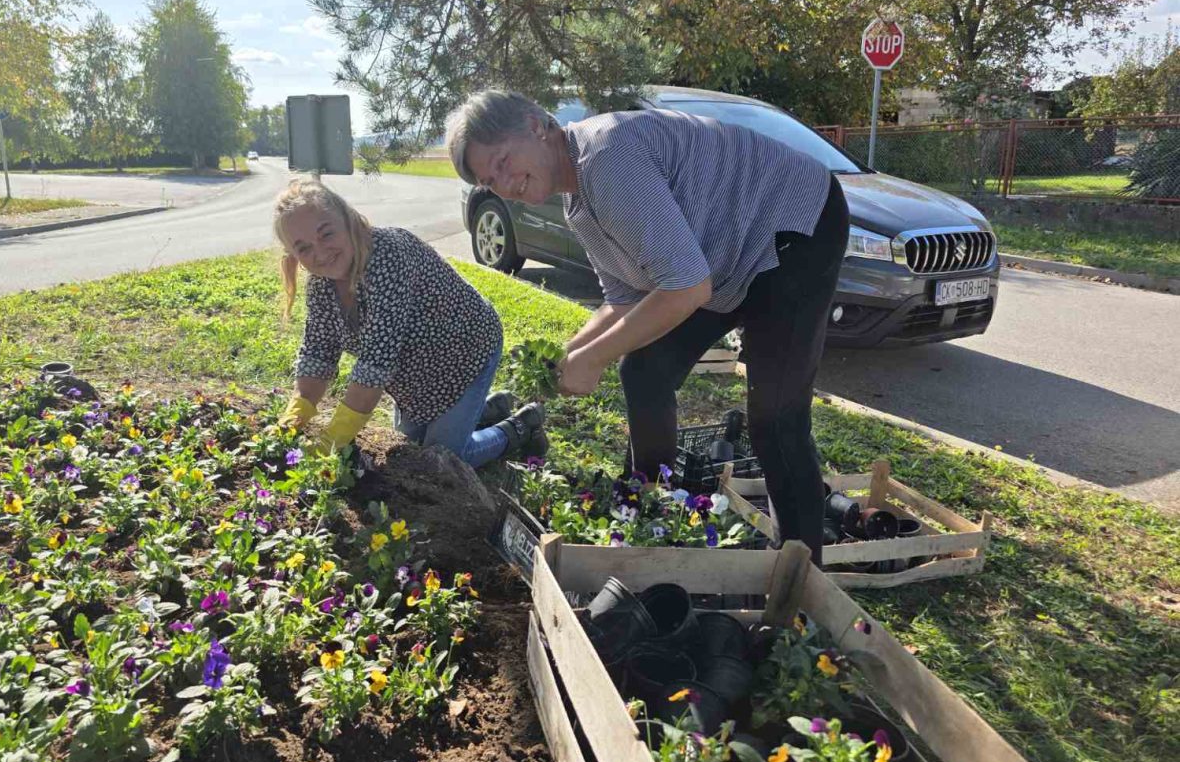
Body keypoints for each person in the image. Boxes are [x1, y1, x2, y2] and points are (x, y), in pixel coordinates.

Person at [445, 91, 848, 563]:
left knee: (775, 420)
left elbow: (687, 289)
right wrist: (567, 353)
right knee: (645, 371)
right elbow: (622, 300)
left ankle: (799, 585)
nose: (504, 184)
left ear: (537, 126)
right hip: (714, 258)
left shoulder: (608, 158)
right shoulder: (578, 203)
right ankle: (647, 508)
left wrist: (593, 359)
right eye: (490, 181)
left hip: (794, 222)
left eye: (502, 161)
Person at [273, 178, 547, 466]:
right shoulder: (320, 285)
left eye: (326, 234)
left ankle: (519, 428)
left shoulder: (387, 255)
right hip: (415, 377)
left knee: (439, 460)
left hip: (467, 350)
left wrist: (333, 439)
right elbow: (318, 352)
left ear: (347, 219)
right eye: (303, 248)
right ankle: (490, 409)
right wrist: (294, 416)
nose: (319, 252)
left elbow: (375, 364)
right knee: (407, 451)